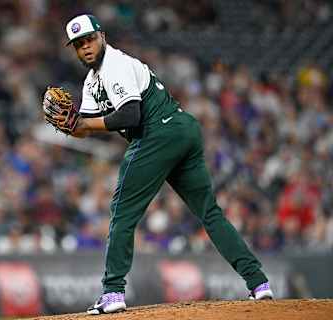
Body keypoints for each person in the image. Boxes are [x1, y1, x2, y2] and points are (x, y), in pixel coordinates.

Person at [62, 14, 273, 315]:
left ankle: (112, 292)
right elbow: (85, 127)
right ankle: (259, 282)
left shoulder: (116, 65)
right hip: (182, 131)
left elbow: (129, 116)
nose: (85, 47)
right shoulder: (91, 82)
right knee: (209, 213)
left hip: (158, 132)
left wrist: (83, 124)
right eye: (78, 44)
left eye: (89, 39)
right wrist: (72, 127)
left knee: (122, 213)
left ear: (102, 36)